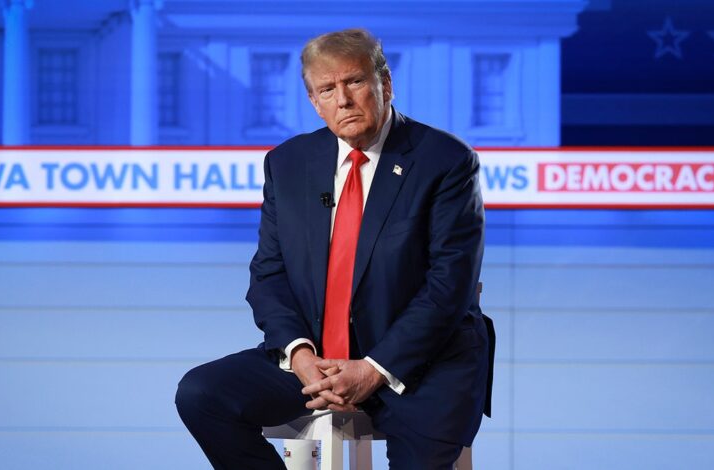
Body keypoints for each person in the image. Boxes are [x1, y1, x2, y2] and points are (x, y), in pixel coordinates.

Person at [175, 28, 492, 469]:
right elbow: (269, 274)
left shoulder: (445, 161)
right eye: (327, 89)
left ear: (385, 85)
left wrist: (373, 369)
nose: (342, 99)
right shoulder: (288, 164)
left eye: (354, 82)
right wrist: (301, 356)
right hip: (318, 360)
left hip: (421, 365)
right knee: (202, 394)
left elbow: (448, 287)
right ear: (314, 101)